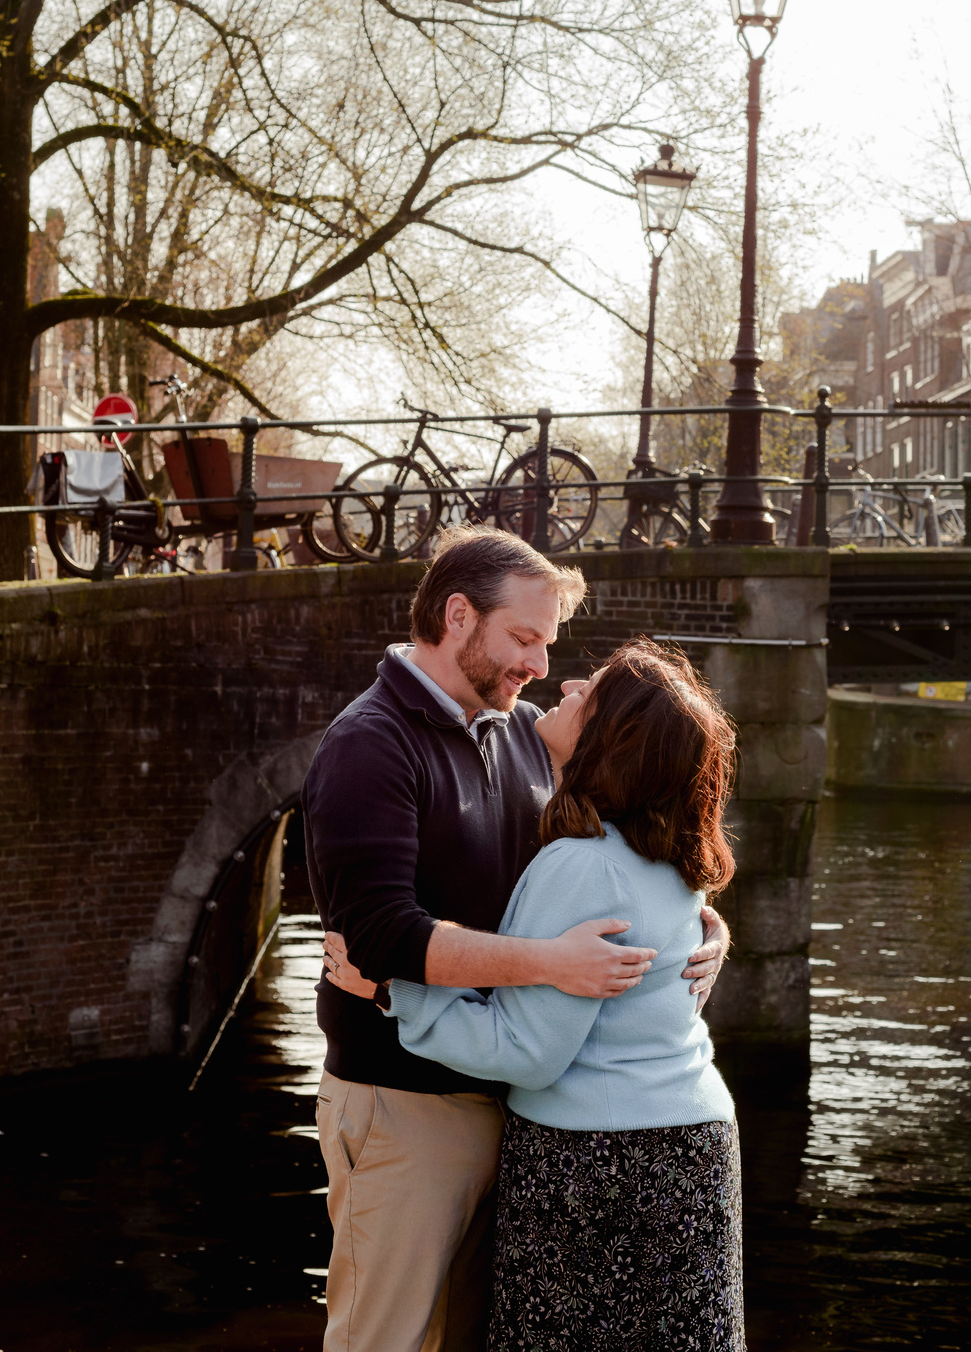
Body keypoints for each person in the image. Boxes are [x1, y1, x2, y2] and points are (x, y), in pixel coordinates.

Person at [302, 526, 729, 1352]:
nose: (538, 665)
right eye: (524, 639)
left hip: (514, 1099)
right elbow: (381, 934)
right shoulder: (370, 745)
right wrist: (550, 964)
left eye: (546, 644)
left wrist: (699, 926)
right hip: (406, 1106)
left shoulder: (521, 730)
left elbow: (649, 822)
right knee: (386, 1339)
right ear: (457, 615)